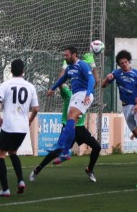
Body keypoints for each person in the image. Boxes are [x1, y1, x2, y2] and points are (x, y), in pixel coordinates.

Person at [29, 46, 95, 182]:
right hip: (76, 96)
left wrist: (88, 94)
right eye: (64, 55)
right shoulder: (70, 68)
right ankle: (64, 151)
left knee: (71, 117)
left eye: (66, 55)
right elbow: (63, 79)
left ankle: (62, 148)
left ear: (74, 54)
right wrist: (52, 88)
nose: (64, 57)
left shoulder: (82, 65)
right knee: (71, 119)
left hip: (84, 94)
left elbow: (92, 80)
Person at [0, 59, 39, 197]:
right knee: (13, 152)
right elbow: (36, 108)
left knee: (0, 155)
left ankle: (5, 189)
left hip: (9, 126)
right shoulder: (30, 86)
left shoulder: (6, 84)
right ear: (23, 71)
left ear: (11, 70)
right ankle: (20, 181)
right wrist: (29, 120)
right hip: (22, 128)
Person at [52, 84, 101, 182]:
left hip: (81, 129)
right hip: (70, 127)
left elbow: (95, 83)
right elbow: (61, 86)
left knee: (97, 147)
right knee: (58, 150)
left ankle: (89, 170)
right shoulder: (69, 94)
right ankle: (39, 168)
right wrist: (63, 73)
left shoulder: (87, 94)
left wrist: (94, 69)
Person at [101, 50, 137, 143]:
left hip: (136, 104)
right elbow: (103, 85)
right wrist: (107, 78)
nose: (124, 64)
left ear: (129, 61)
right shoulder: (116, 73)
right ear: (119, 65)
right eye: (121, 63)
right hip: (125, 106)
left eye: (125, 62)